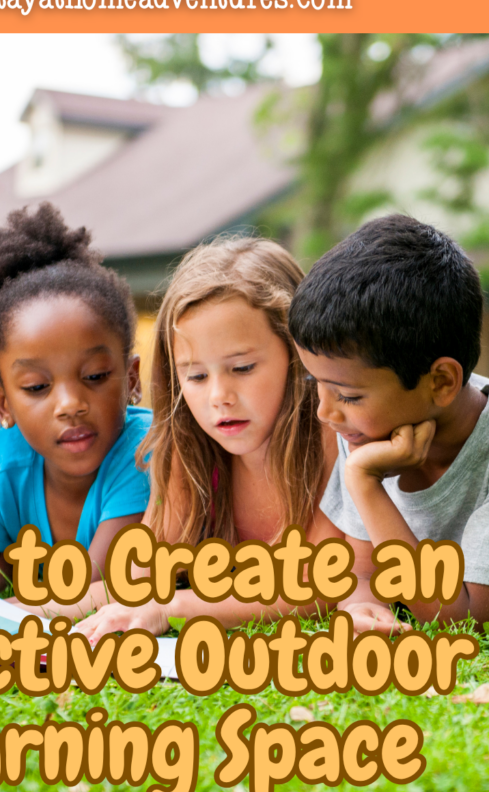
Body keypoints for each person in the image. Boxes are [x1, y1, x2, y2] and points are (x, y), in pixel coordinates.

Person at [61, 236, 401, 639]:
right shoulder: (191, 450)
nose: (219, 397)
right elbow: (139, 581)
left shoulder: (339, 439)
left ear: (299, 358)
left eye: (241, 368)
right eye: (197, 375)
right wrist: (24, 609)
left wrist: (173, 608)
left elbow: (319, 588)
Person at [289, 213, 489, 626]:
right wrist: (363, 606)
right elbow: (363, 572)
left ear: (441, 381)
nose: (326, 413)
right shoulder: (364, 428)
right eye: (317, 383)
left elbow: (466, 617)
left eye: (347, 394)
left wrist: (365, 483)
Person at [0, 204, 151, 581]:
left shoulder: (145, 452)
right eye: (37, 387)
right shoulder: (2, 465)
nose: (70, 405)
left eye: (95, 376)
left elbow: (96, 586)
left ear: (132, 379)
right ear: (3, 402)